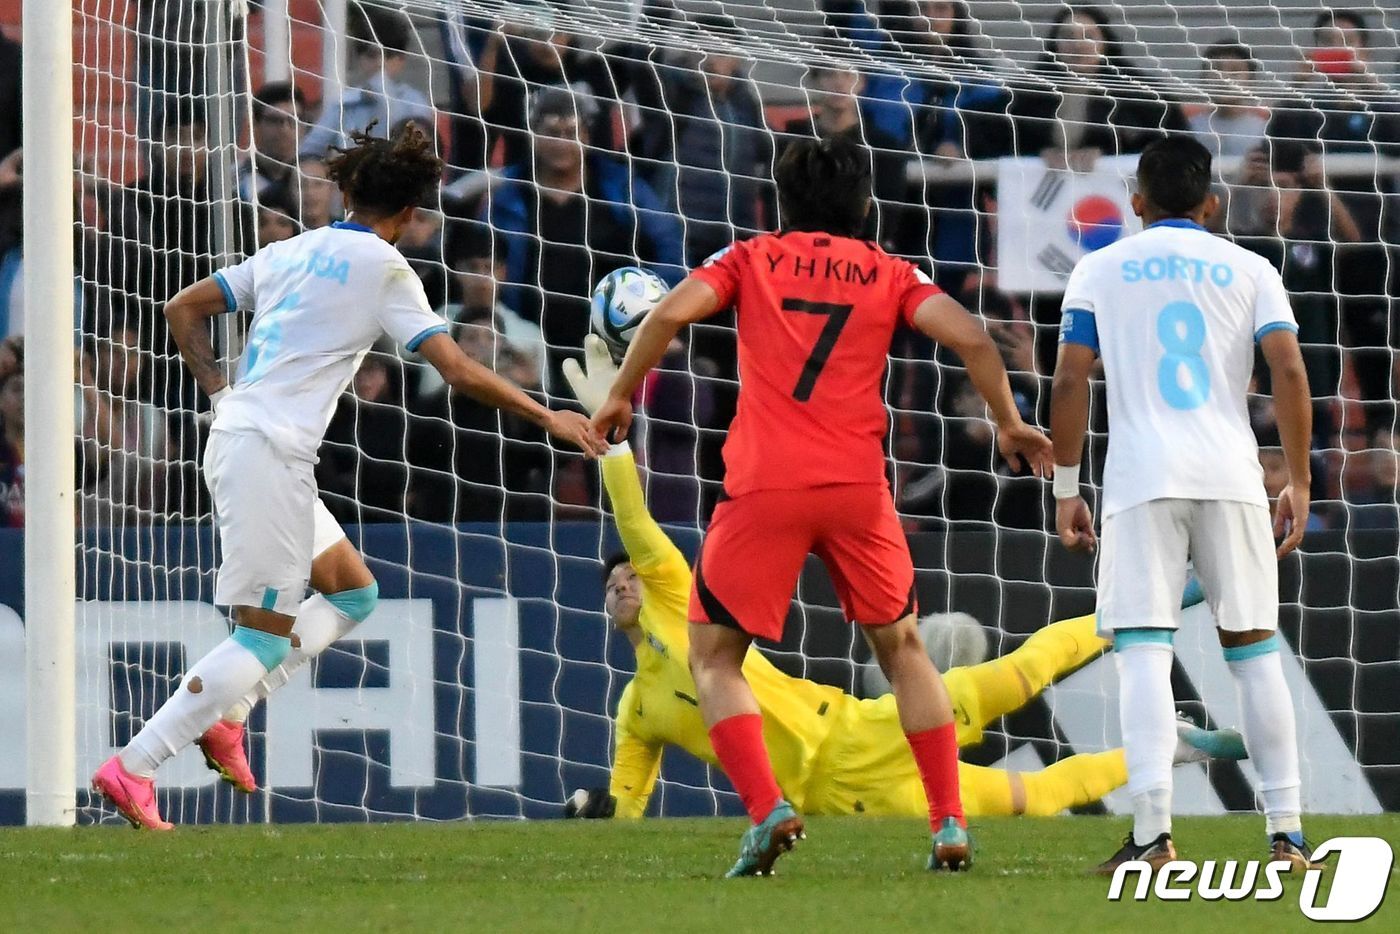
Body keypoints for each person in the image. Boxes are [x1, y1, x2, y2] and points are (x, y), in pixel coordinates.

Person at [90, 123, 605, 830]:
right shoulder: (387, 270)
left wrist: (217, 389)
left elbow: (182, 308)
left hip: (256, 443)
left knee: (354, 594)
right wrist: (549, 417)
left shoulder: (290, 249)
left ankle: (229, 714)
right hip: (266, 454)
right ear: (410, 215)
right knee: (263, 637)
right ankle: (136, 764)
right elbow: (454, 369)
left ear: (348, 190)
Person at [591, 136, 1053, 876]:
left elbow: (670, 314)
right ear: (865, 205)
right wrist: (1008, 419)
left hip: (765, 482)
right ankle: (948, 824)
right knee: (903, 650)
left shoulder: (749, 258)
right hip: (855, 485)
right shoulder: (887, 270)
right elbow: (970, 335)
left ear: (780, 202)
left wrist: (619, 395)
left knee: (713, 657)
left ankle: (769, 808)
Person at [564, 336, 1242, 821]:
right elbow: (625, 805)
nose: (624, 584)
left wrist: (614, 443)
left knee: (1025, 669)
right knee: (1031, 799)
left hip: (873, 727)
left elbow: (637, 524)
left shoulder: (681, 606)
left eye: (630, 577)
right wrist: (592, 815)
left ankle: (1151, 599)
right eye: (612, 585)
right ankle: (1170, 745)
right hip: (843, 799)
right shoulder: (636, 710)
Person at [1049, 136, 1314, 873]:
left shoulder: (1099, 268)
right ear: (1212, 203)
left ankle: (1152, 836)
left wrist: (1067, 488)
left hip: (1141, 478)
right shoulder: (1251, 267)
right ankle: (1287, 835)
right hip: (1232, 475)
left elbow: (1070, 382)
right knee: (1256, 652)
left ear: (1135, 201)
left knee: (1142, 655)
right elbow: (1288, 366)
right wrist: (1296, 478)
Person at [300, 4, 435, 159]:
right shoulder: (345, 104)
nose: (380, 63)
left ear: (401, 60)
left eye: (388, 56)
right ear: (360, 59)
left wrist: (384, 96)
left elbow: (423, 151)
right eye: (372, 55)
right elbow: (309, 151)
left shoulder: (414, 102)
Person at [1185, 44, 1270, 159]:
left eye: (1235, 70)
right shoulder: (1189, 128)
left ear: (1251, 80)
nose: (1224, 78)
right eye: (1216, 69)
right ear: (1203, 79)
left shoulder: (1265, 131)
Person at [238, 82, 306, 201]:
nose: (285, 130)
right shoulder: (233, 183)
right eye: (274, 120)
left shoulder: (317, 183)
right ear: (255, 126)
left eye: (292, 120)